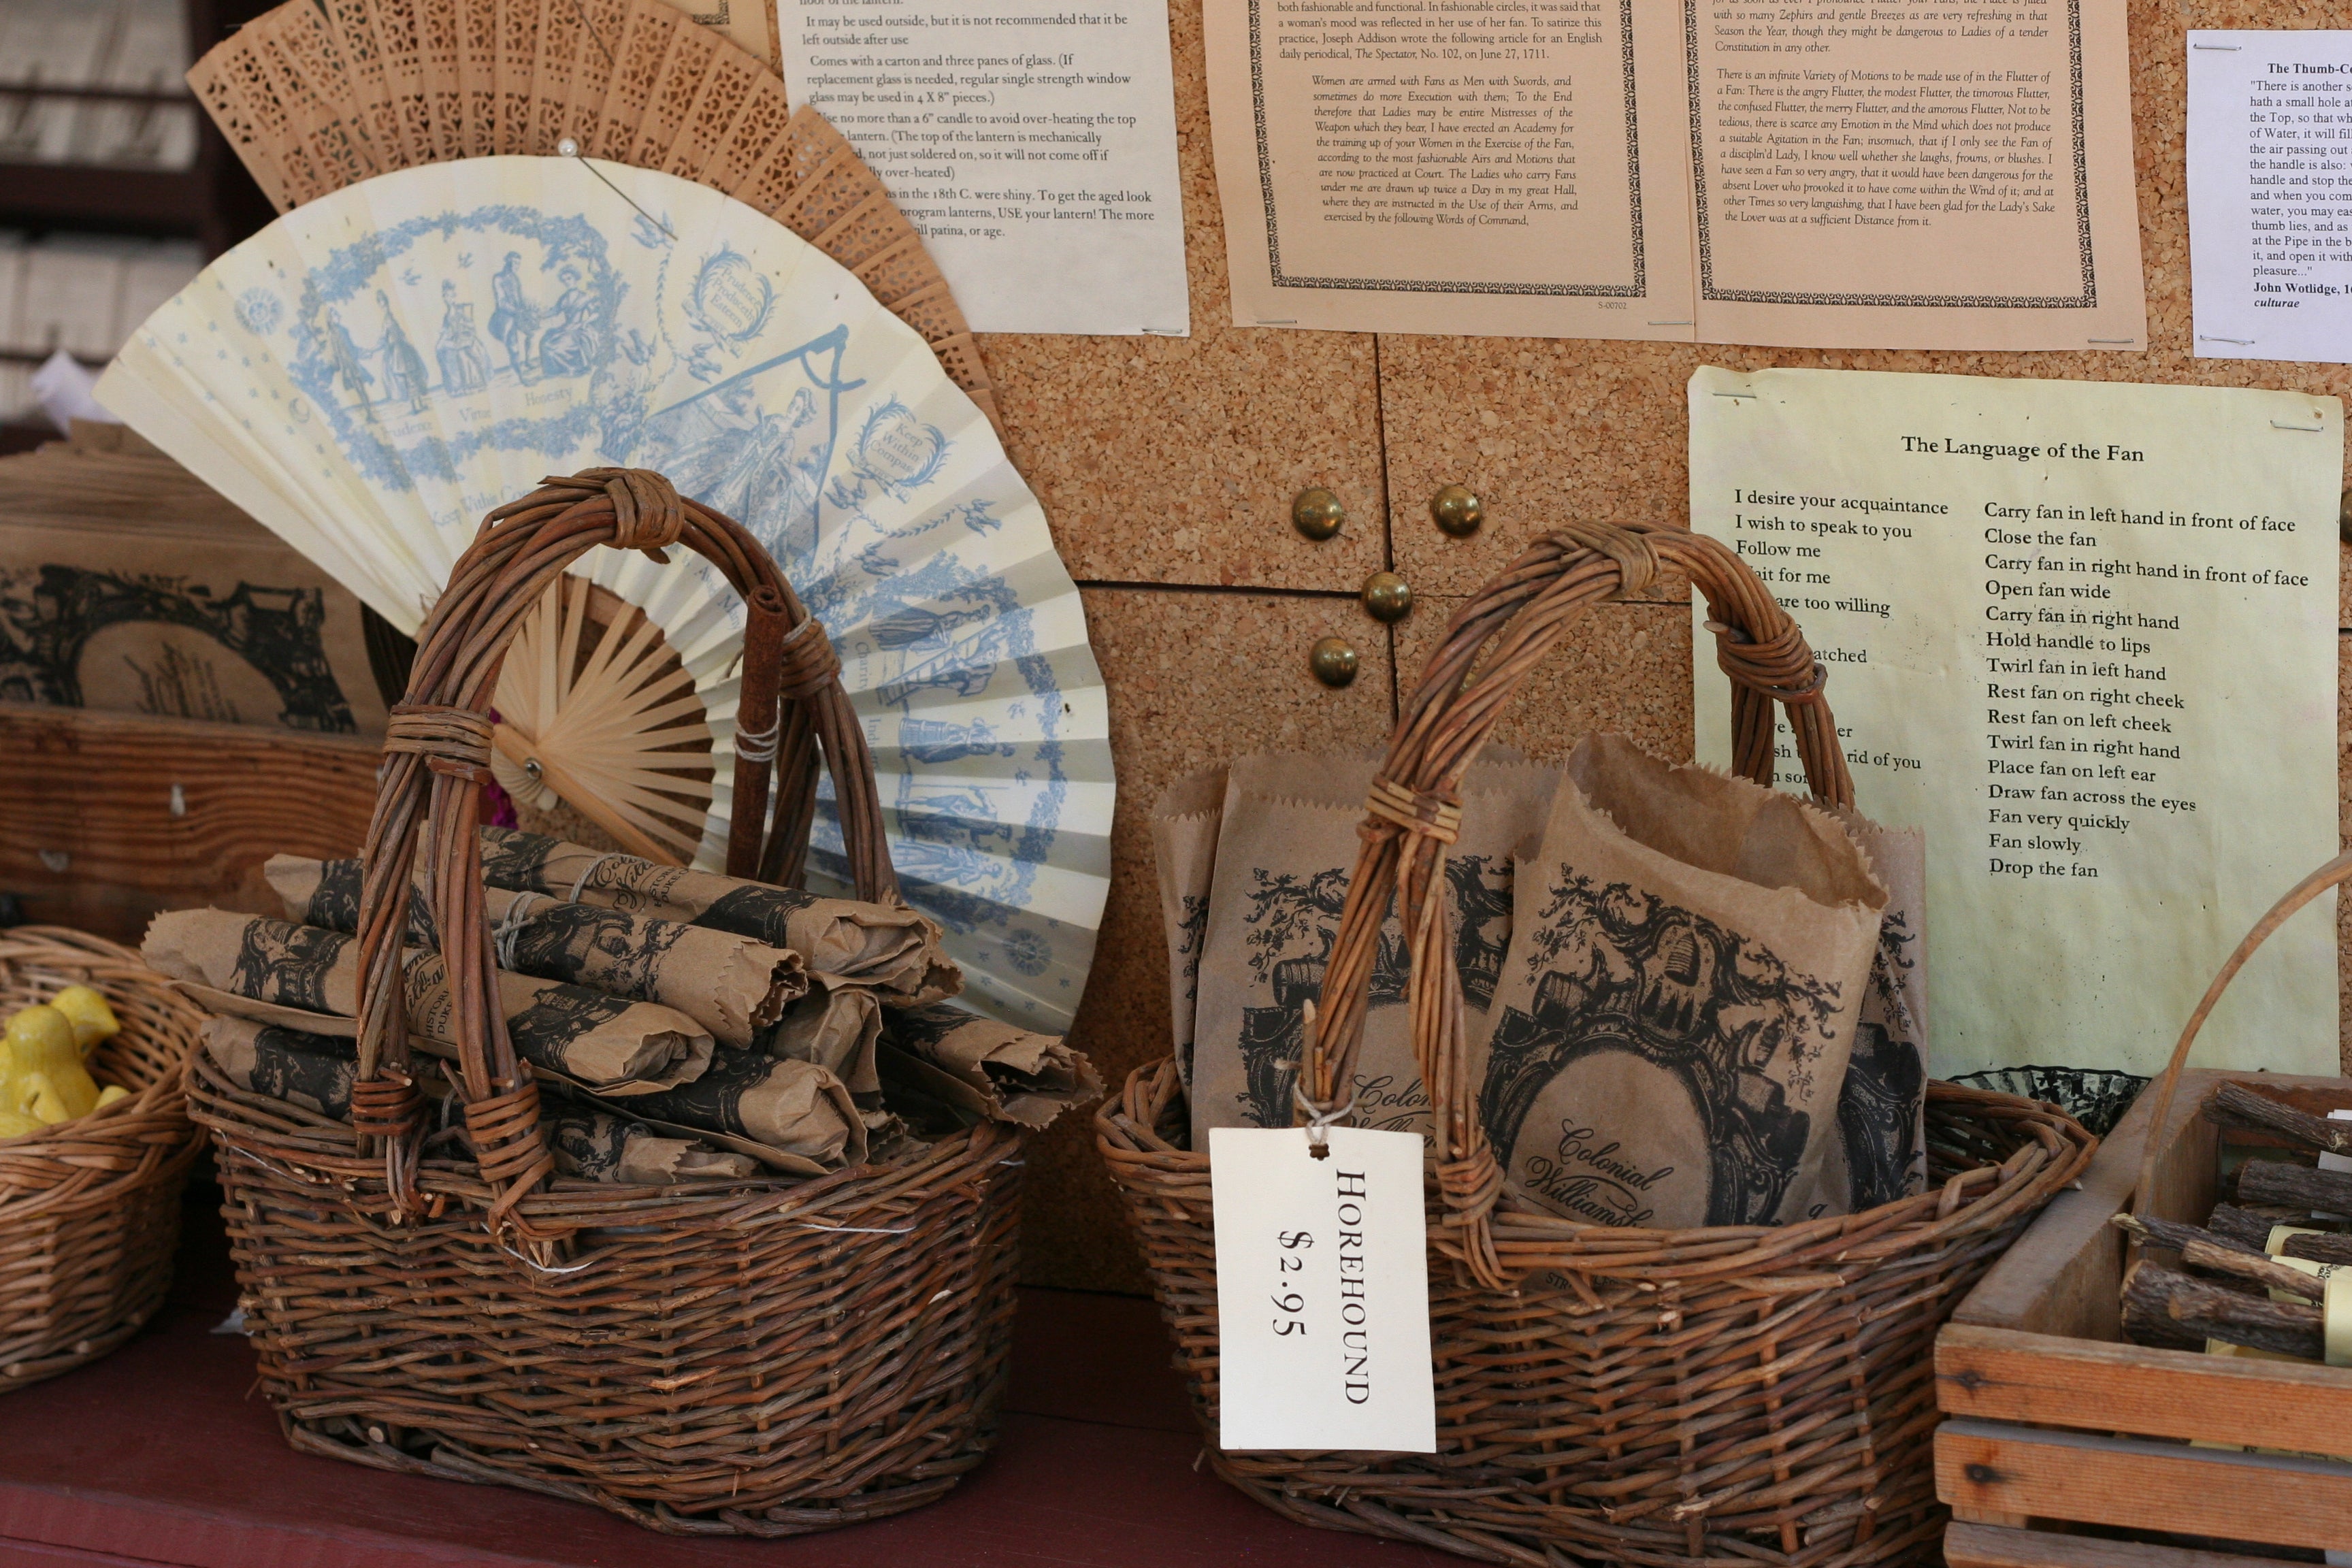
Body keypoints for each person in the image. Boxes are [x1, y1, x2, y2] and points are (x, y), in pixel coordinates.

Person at [536, 265, 606, 379]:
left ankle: (573, 369)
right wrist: (539, 315)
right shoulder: (564, 298)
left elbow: (596, 313)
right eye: (564, 280)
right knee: (545, 342)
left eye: (569, 278)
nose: (567, 282)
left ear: (575, 278)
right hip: (566, 328)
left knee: (560, 345)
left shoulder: (584, 297)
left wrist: (586, 322)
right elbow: (554, 311)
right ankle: (555, 371)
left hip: (578, 328)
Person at [488, 252, 538, 384]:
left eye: (518, 263)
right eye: (514, 263)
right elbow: (502, 302)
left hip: (518, 314)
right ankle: (522, 378)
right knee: (514, 348)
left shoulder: (515, 278)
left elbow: (520, 298)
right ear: (507, 262)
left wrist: (526, 311)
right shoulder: (498, 278)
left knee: (531, 333)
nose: (516, 266)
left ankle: (527, 361)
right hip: (505, 317)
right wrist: (517, 311)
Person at [376, 291, 428, 414]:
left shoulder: (391, 317)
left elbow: (399, 333)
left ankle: (419, 404)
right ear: (380, 306)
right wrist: (379, 347)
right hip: (398, 352)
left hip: (403, 349)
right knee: (408, 379)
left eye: (386, 303)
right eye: (382, 304)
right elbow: (384, 337)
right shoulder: (386, 321)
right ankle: (414, 407)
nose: (385, 306)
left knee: (413, 377)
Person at [321, 306, 376, 423]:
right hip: (348, 366)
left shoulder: (342, 330)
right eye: (335, 315)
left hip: (352, 363)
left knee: (362, 390)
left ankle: (370, 414)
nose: (338, 316)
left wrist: (363, 352)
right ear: (331, 318)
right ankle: (369, 414)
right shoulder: (333, 335)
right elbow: (336, 352)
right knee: (360, 390)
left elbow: (351, 347)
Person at [435, 280, 489, 396]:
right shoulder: (447, 315)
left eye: (451, 296)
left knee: (462, 354)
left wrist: (462, 329)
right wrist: (444, 334)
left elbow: (470, 325)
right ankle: (456, 386)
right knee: (442, 350)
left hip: (466, 339)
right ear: (444, 298)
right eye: (447, 297)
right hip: (455, 341)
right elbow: (446, 329)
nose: (449, 299)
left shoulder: (461, 310)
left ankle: (474, 384)